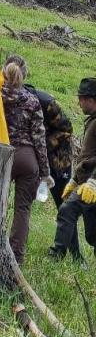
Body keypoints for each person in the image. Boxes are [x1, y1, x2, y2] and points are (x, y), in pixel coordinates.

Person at [4, 54, 78, 255]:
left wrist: (45, 153)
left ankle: (72, 252)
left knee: (63, 203)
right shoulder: (30, 99)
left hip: (57, 155)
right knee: (23, 208)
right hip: (32, 155)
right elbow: (36, 136)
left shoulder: (44, 100)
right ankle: (17, 254)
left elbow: (66, 129)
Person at [1, 61, 53, 265]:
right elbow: (40, 138)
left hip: (1, 154)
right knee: (22, 210)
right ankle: (16, 259)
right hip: (27, 158)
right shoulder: (32, 101)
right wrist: (45, 172)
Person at [48, 78, 96, 261]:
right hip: (86, 181)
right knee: (93, 234)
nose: (79, 102)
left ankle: (58, 253)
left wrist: (93, 181)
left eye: (81, 98)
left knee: (67, 209)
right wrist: (75, 179)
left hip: (92, 183)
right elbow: (88, 156)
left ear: (90, 99)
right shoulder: (92, 120)